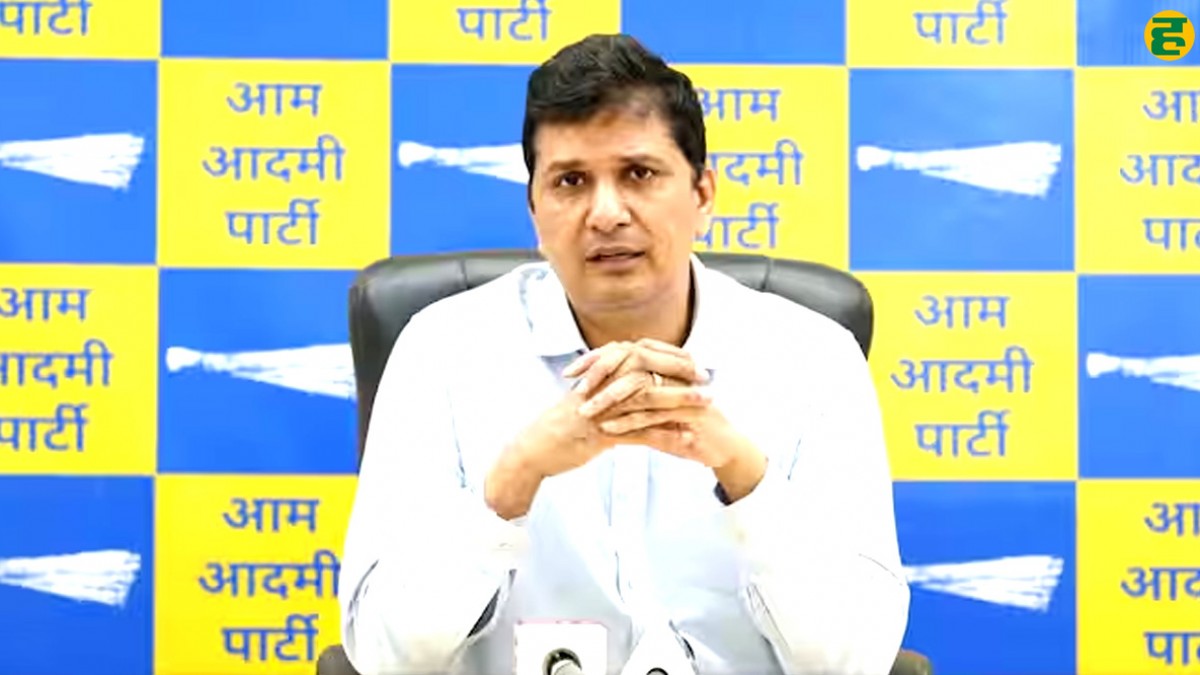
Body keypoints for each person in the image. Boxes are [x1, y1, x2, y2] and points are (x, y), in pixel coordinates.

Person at [337, 33, 909, 675]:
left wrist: (743, 472)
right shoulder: (442, 351)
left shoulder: (814, 359)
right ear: (534, 208)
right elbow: (386, 657)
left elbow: (854, 660)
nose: (606, 213)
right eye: (571, 181)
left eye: (639, 174)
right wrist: (515, 479)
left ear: (702, 194)